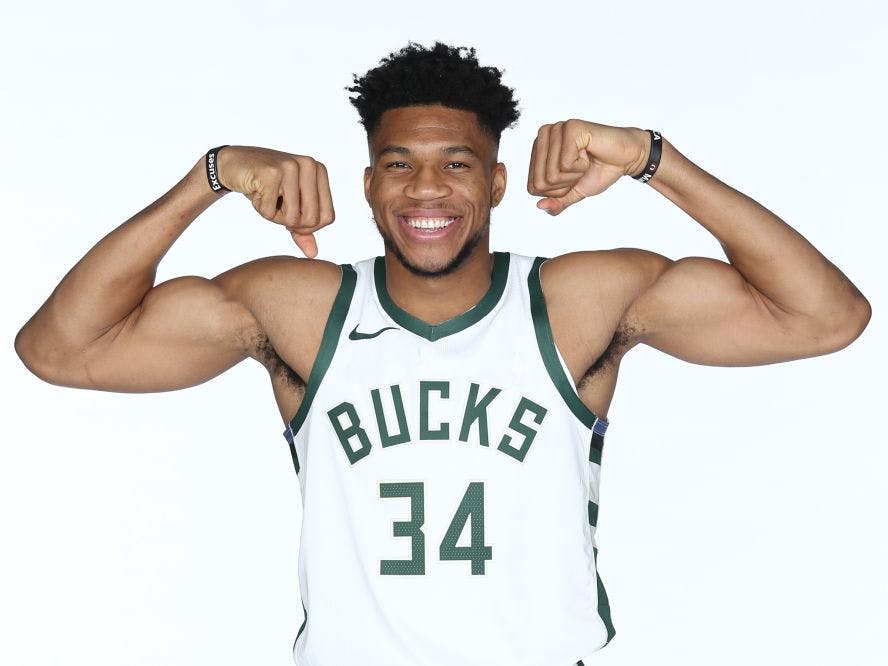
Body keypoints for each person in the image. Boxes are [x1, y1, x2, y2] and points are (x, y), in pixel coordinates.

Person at [14, 41, 870, 666]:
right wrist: (209, 176)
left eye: (457, 164)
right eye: (399, 165)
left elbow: (824, 318)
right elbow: (60, 349)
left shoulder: (577, 302)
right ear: (369, 185)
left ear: (496, 183)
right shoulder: (299, 308)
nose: (426, 188)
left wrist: (653, 159)